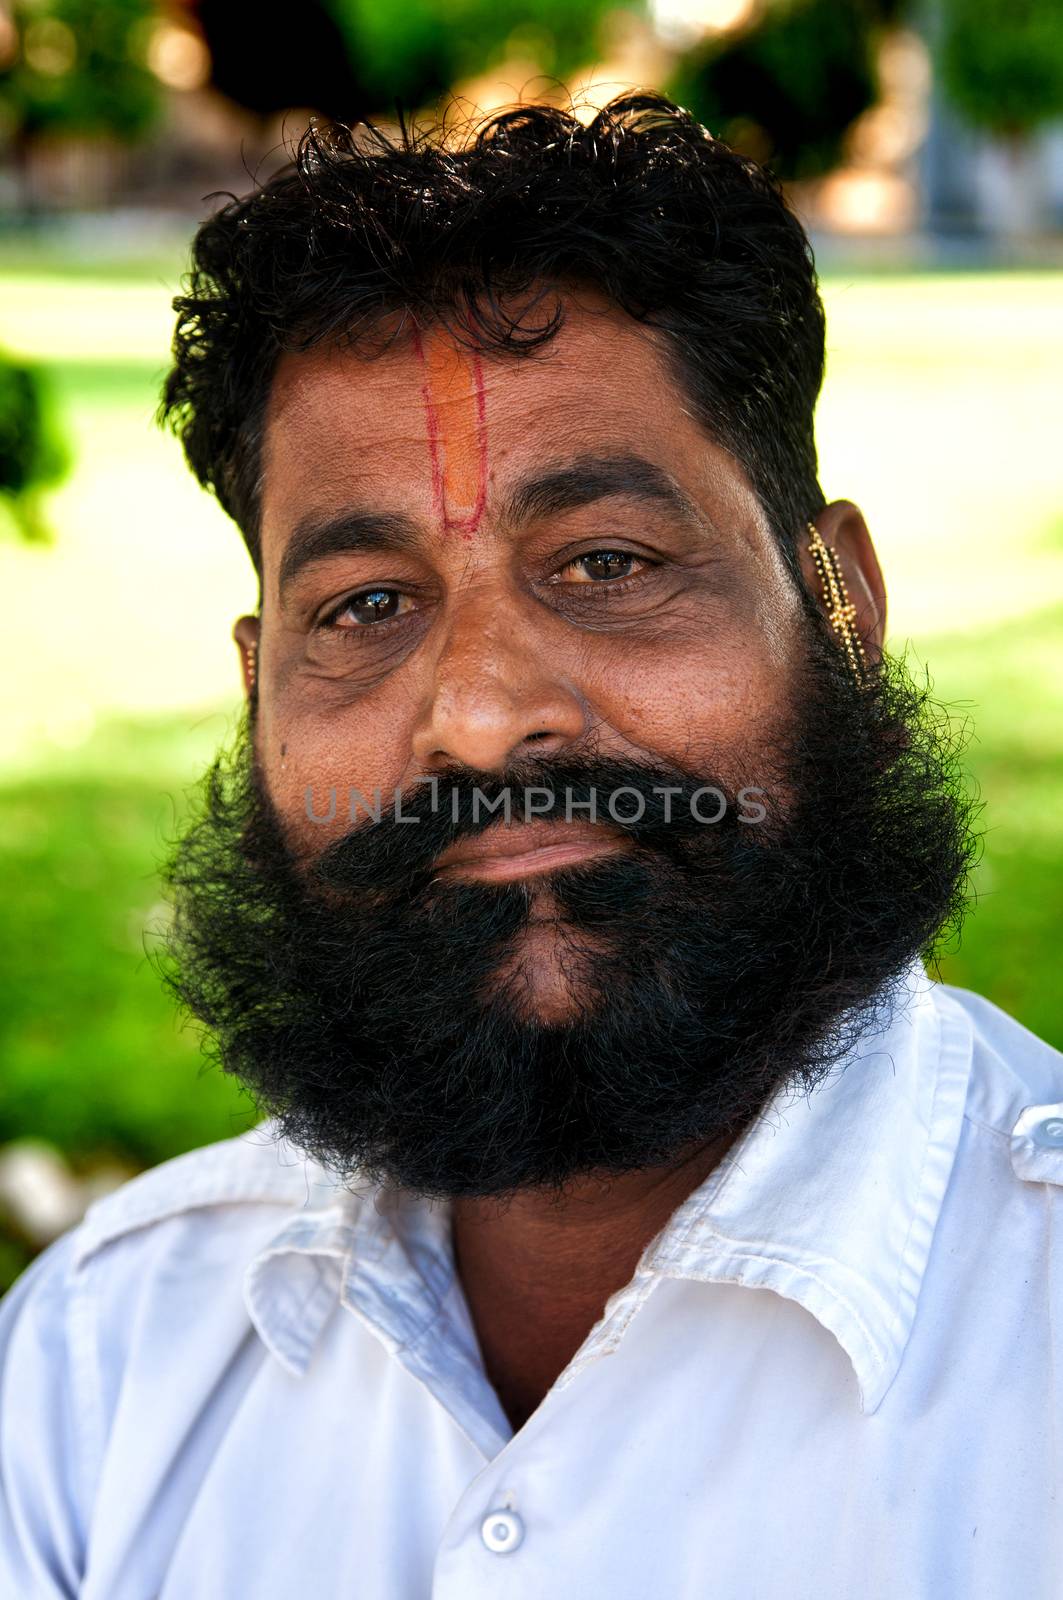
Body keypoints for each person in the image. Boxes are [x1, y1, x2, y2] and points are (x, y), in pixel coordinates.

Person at [1, 92, 1060, 1599]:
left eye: (609, 563)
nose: (483, 718)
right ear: (257, 692)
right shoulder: (101, 1368)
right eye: (366, 605)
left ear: (844, 608)